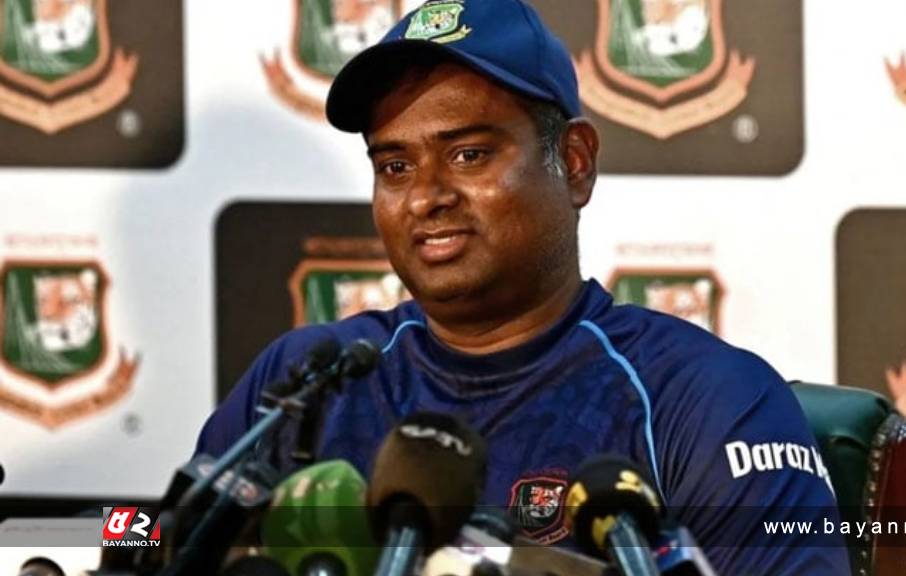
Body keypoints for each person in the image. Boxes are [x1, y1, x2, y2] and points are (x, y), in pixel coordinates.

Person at [197, 0, 850, 573]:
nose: (425, 197)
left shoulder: (702, 396)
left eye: (469, 155)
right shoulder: (305, 382)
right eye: (395, 166)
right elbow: (152, 539)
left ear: (575, 164)